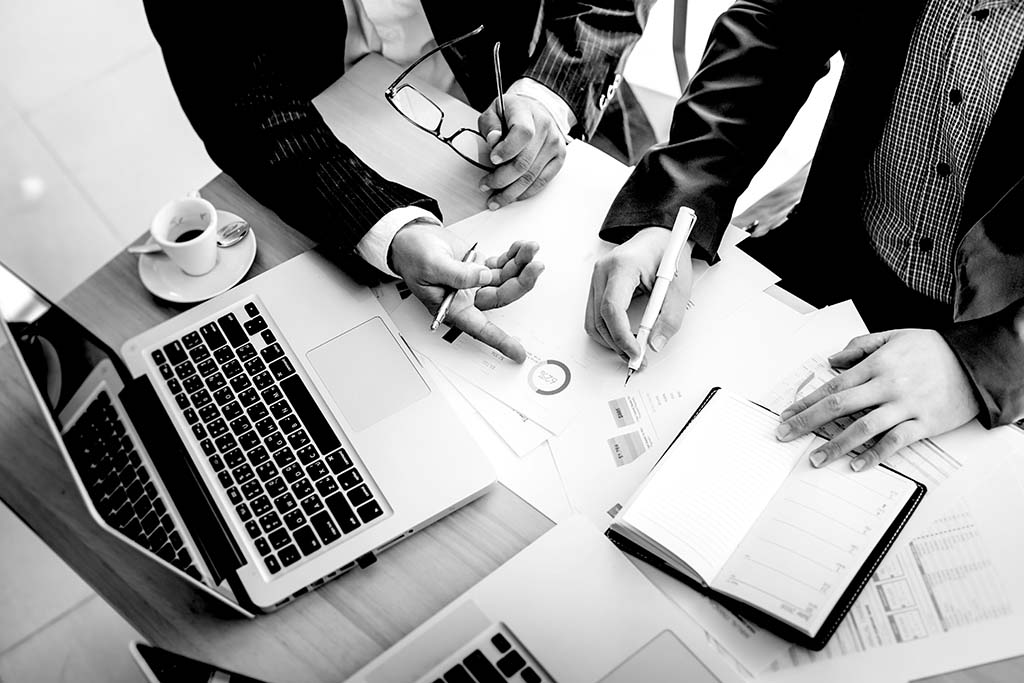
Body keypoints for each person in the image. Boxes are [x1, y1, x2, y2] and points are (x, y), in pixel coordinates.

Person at [586, 0, 1024, 470]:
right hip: (828, 249)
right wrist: (674, 212)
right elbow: (775, 31)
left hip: (992, 333)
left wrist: (982, 362)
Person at [144, 1, 652, 362]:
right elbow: (236, 97)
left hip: (538, 92)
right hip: (327, 144)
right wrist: (389, 226)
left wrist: (548, 96)